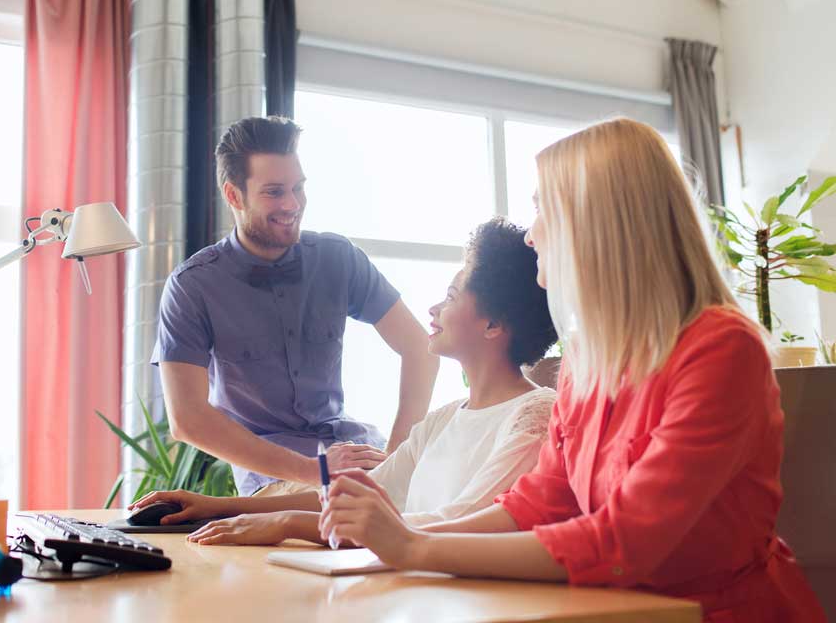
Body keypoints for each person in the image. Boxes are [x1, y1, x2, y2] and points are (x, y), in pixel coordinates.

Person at [317, 118, 825, 622]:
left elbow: (625, 539)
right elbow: (537, 505)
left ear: (599, 222)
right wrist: (399, 541)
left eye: (542, 209)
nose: (532, 235)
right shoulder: (585, 360)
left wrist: (412, 547)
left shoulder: (721, 350)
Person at [131, 218, 558, 544]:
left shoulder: (536, 414)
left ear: (493, 325)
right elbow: (362, 497)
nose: (432, 309)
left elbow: (460, 522)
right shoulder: (442, 421)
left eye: (449, 297)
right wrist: (219, 507)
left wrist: (289, 523)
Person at [150, 116, 440, 497]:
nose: (292, 204)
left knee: (450, 498)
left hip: (355, 453)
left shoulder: (339, 259)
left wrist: (397, 454)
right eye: (273, 192)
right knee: (346, 510)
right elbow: (187, 420)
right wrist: (315, 470)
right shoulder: (193, 286)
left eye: (298, 188)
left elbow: (421, 348)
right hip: (276, 477)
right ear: (234, 196)